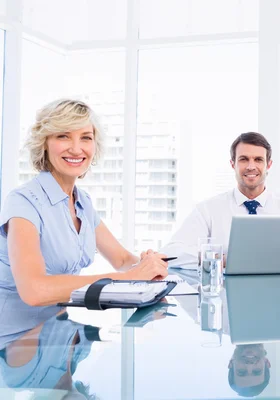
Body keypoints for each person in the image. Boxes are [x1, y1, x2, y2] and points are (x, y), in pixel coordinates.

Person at [0, 99, 169, 307]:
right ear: (44, 143)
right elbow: (34, 290)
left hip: (59, 329)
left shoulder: (82, 202)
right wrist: (130, 277)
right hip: (19, 336)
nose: (76, 148)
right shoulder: (23, 202)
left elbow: (122, 260)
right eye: (63, 136)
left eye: (86, 138)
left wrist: (149, 267)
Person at [162, 132, 280, 263]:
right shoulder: (208, 210)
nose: (251, 166)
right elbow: (173, 252)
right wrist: (221, 259)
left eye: (258, 160)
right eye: (244, 159)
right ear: (233, 164)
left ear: (269, 165)